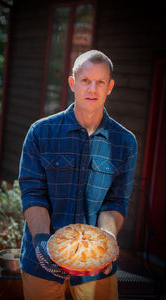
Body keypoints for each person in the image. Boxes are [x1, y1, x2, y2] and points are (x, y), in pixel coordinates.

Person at [18, 49, 138, 300]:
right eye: (85, 80)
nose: (92, 89)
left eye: (100, 82)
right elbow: (33, 194)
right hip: (42, 262)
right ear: (73, 83)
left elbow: (115, 202)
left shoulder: (125, 143)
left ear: (110, 87)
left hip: (96, 269)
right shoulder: (41, 132)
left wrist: (107, 239)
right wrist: (42, 241)